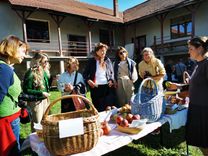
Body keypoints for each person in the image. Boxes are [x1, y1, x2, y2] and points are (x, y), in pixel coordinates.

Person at [167, 36, 208, 155]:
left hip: (204, 110)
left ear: (199, 49)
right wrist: (178, 86)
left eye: (190, 49)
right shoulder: (198, 64)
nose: (188, 51)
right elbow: (195, 85)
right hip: (196, 107)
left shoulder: (206, 64)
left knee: (204, 142)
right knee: (200, 142)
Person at [0, 35, 28, 155]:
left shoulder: (6, 68)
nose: (25, 55)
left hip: (11, 119)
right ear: (13, 48)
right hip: (7, 123)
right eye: (23, 51)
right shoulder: (3, 69)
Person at [83, 43, 116, 112]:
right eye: (101, 50)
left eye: (105, 50)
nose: (103, 52)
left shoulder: (107, 60)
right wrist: (89, 80)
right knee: (98, 108)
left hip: (107, 87)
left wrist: (111, 80)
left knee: (108, 107)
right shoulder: (91, 61)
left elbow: (111, 73)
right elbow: (85, 74)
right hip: (96, 87)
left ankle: (107, 122)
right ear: (96, 51)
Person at [23, 52, 50, 132]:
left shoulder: (44, 71)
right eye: (45, 61)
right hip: (36, 102)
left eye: (47, 61)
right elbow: (26, 90)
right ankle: (35, 142)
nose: (47, 63)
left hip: (45, 100)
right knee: (37, 124)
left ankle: (44, 140)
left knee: (45, 122)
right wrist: (40, 93)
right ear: (38, 61)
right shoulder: (31, 72)